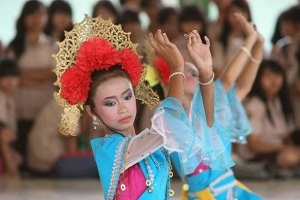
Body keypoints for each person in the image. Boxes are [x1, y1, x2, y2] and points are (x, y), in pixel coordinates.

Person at [53, 15, 214, 199]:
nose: (122, 108)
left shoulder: (153, 146)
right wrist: (177, 68)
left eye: (127, 96)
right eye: (110, 103)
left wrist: (206, 74)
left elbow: (204, 125)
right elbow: (166, 124)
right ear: (92, 111)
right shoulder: (109, 149)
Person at [152, 13, 263, 199]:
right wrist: (250, 42)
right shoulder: (166, 113)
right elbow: (224, 82)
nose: (190, 74)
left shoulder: (218, 110)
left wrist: (257, 44)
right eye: (184, 71)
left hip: (232, 192)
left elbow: (239, 85)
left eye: (196, 73)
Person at [5, 0, 56, 166]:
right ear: (23, 18)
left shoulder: (52, 45)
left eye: (41, 14)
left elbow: (53, 74)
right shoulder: (14, 47)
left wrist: (21, 75)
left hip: (43, 111)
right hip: (18, 112)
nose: (36, 18)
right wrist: (42, 75)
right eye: (31, 14)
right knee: (19, 158)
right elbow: (7, 77)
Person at [236, 60, 300, 178]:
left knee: (293, 155)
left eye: (277, 75)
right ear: (257, 78)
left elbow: (287, 137)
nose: (274, 81)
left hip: (278, 151)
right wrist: (285, 148)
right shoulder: (255, 104)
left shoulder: (280, 103)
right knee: (291, 157)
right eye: (267, 76)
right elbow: (254, 146)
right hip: (256, 156)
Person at [0, 59, 21, 176]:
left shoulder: (10, 99)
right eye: (5, 76)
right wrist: (11, 166)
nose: (10, 81)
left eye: (13, 76)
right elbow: (3, 135)